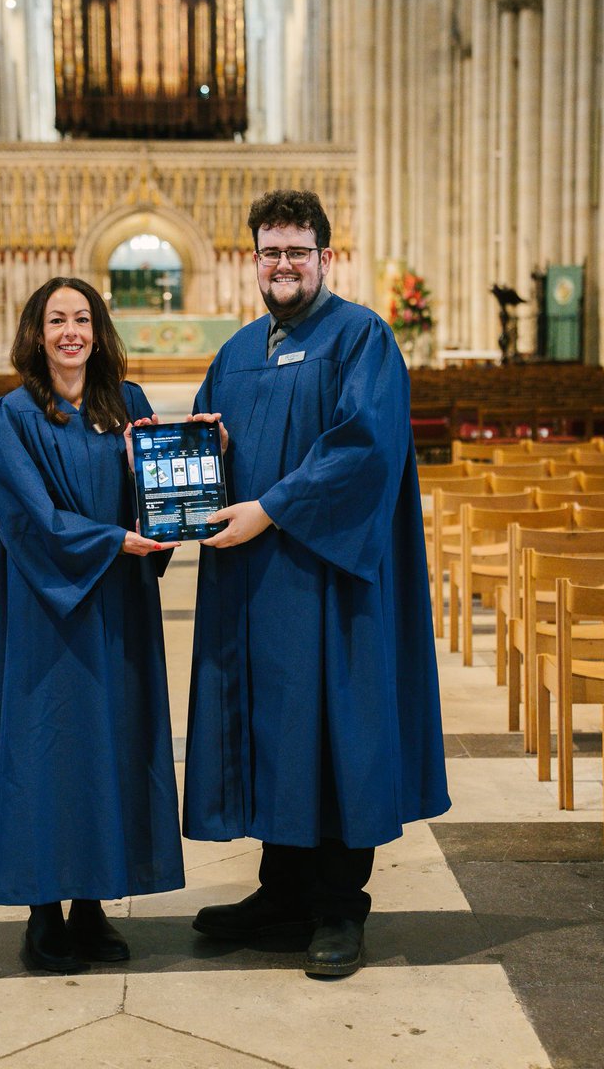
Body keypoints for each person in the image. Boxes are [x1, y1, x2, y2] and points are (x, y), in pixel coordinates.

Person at [184, 190, 450, 978]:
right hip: (255, 588)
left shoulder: (362, 337)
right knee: (277, 728)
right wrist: (184, 469)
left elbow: (365, 450)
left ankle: (338, 906)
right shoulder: (234, 354)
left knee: (336, 728)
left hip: (329, 581)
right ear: (254, 260)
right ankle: (281, 891)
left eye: (299, 250)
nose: (285, 264)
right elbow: (204, 450)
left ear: (325, 258)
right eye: (272, 251)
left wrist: (270, 508)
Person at [0, 276, 184, 974]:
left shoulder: (126, 404)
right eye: (56, 320)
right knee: (50, 752)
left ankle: (94, 906)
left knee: (113, 748)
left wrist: (179, 463)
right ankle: (44, 910)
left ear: (98, 331)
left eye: (82, 319)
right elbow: (28, 517)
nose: (71, 331)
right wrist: (109, 541)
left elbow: (159, 492)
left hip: (118, 606)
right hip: (49, 609)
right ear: (36, 335)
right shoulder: (12, 415)